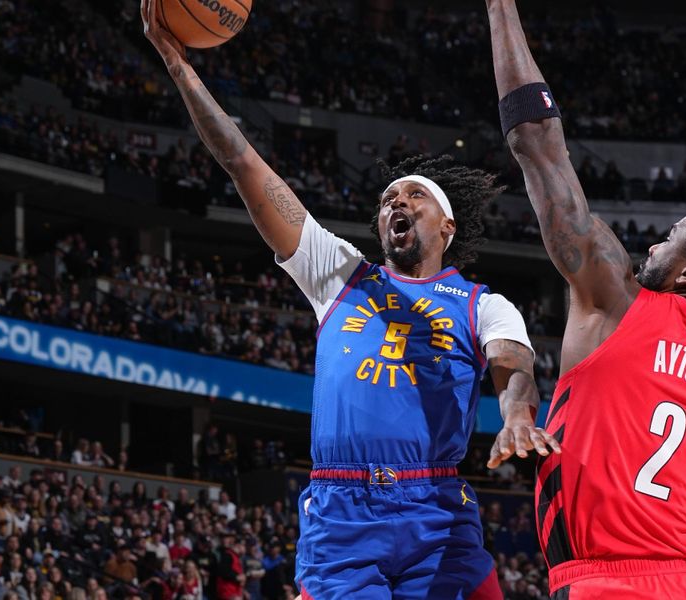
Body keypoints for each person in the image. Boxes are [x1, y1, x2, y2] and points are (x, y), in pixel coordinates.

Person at [141, 1, 559, 597]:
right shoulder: (338, 273)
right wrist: (180, 68)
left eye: (414, 195)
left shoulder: (480, 303)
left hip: (436, 508)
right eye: (389, 197)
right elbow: (243, 164)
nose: (396, 202)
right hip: (342, 515)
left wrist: (517, 413)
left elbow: (514, 366)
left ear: (446, 228)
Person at [485, 1, 686, 598]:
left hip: (603, 583)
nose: (655, 246)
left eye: (670, 239)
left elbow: (536, 144)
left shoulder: (616, 300)